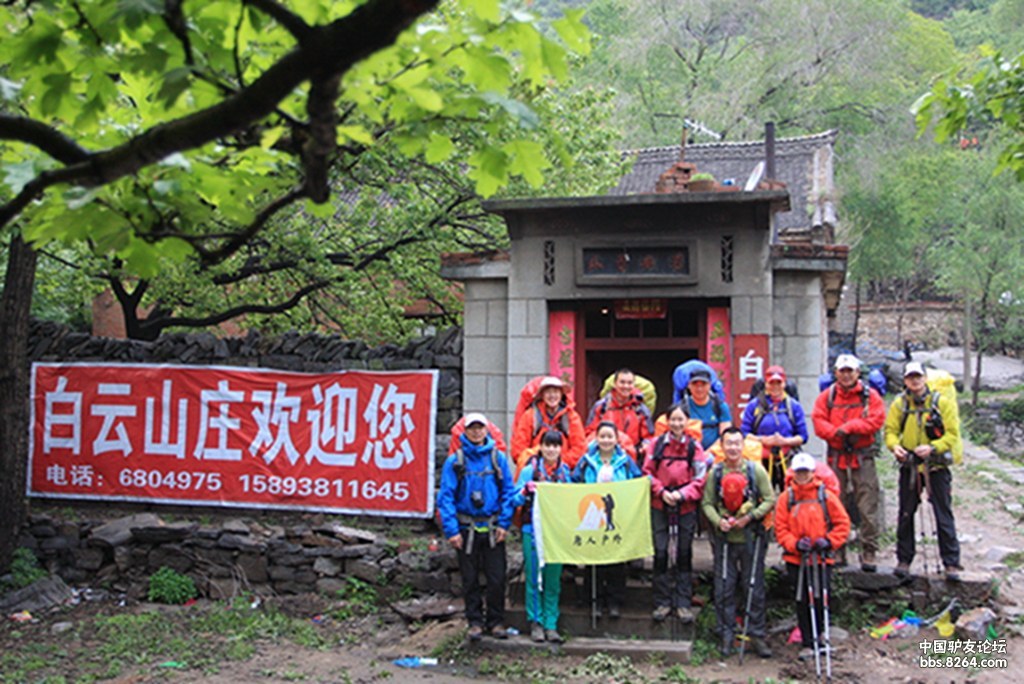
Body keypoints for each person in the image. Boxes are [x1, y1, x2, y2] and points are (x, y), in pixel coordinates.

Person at [436, 412, 514, 641]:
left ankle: (496, 621)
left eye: (481, 428)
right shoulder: (455, 461)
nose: (477, 432)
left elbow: (508, 492)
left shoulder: (497, 459)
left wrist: (504, 523)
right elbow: (446, 497)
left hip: (492, 527)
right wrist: (451, 530)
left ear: (487, 430)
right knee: (469, 579)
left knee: (497, 578)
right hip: (465, 528)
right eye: (472, 428)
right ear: (465, 431)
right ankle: (475, 622)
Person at [884, 362, 963, 580]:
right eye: (911, 377)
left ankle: (951, 563)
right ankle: (904, 560)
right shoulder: (899, 405)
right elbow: (890, 431)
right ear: (905, 380)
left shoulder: (941, 403)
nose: (915, 381)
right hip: (910, 466)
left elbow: (952, 435)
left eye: (918, 377)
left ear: (925, 378)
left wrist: (933, 447)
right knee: (906, 513)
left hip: (936, 466)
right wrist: (895, 446)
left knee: (943, 513)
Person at [701, 427, 775, 658]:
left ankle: (757, 635)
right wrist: (717, 521)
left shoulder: (756, 471)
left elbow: (770, 499)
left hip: (750, 537)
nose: (732, 448)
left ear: (742, 446)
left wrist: (749, 517)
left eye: (736, 443)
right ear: (721, 447)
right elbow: (707, 503)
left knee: (754, 586)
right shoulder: (715, 473)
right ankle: (726, 635)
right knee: (724, 587)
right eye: (728, 444)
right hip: (724, 539)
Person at [811, 354, 885, 572]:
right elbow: (818, 421)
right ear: (835, 373)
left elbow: (876, 420)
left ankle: (869, 550)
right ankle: (837, 548)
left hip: (863, 456)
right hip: (836, 455)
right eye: (842, 371)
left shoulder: (870, 396)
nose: (845, 375)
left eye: (849, 371)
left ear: (857, 372)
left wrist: (851, 427)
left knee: (867, 503)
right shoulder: (827, 397)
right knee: (835, 501)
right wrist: (835, 433)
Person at [774, 453, 850, 661]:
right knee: (801, 600)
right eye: (798, 472)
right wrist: (795, 544)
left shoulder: (826, 496)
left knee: (821, 597)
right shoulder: (786, 498)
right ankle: (807, 640)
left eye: (805, 472)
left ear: (812, 472)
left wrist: (830, 541)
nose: (802, 476)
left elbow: (842, 523)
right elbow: (780, 529)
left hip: (821, 558)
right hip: (797, 559)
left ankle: (822, 636)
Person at [643, 403, 707, 623]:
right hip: (660, 504)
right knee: (660, 552)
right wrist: (661, 491)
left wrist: (682, 494)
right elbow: (647, 472)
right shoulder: (656, 445)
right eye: (673, 419)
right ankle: (661, 602)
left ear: (687, 422)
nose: (677, 424)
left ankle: (683, 603)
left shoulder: (694, 448)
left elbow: (700, 478)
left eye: (681, 420)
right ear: (667, 421)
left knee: (683, 552)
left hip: (686, 506)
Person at [572, 421, 643, 618]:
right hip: (592, 516)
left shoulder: (626, 461)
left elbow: (637, 482)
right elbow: (575, 481)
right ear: (596, 438)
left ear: (616, 439)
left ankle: (614, 601)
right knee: (594, 560)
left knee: (616, 559)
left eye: (609, 436)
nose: (606, 440)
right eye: (602, 436)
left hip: (617, 515)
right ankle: (594, 599)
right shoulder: (586, 460)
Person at [512, 430, 572, 643]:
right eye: (548, 445)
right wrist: (525, 492)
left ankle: (551, 624)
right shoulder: (529, 471)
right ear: (541, 447)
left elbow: (571, 502)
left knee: (552, 579)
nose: (551, 450)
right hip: (532, 530)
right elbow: (514, 500)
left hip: (555, 533)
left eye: (556, 446)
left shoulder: (565, 473)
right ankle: (535, 621)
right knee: (534, 576)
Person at [741, 365, 808, 492]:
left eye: (779, 383)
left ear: (784, 384)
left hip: (787, 458)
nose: (775, 386)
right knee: (763, 497)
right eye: (771, 383)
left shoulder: (793, 406)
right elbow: (744, 433)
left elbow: (803, 436)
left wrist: (785, 441)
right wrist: (763, 440)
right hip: (761, 460)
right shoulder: (754, 405)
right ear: (766, 384)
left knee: (790, 495)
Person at [511, 376, 587, 469]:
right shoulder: (530, 416)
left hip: (564, 473)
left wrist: (557, 464)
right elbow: (518, 450)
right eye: (548, 392)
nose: (552, 396)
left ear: (561, 394)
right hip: (535, 472)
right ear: (542, 395)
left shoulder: (571, 417)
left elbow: (579, 449)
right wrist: (538, 464)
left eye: (555, 392)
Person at [586, 368, 654, 457]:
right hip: (603, 457)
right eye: (622, 382)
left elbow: (648, 437)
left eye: (629, 383)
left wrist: (645, 446)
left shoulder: (641, 409)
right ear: (615, 384)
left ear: (634, 385)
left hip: (632, 458)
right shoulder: (601, 407)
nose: (626, 386)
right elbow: (590, 433)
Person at [683, 368, 733, 450]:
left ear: (709, 385)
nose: (699, 389)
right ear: (689, 386)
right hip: (689, 451)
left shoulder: (720, 406)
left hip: (715, 453)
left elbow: (726, 436)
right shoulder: (682, 407)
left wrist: (708, 453)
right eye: (695, 384)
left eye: (703, 384)